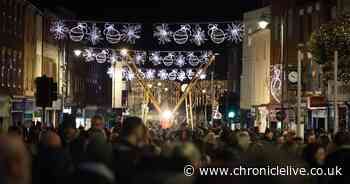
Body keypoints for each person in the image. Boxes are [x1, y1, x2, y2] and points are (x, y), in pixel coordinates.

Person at [113, 116, 145, 184]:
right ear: (136, 129)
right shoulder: (134, 154)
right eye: (142, 127)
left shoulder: (114, 146)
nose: (143, 130)